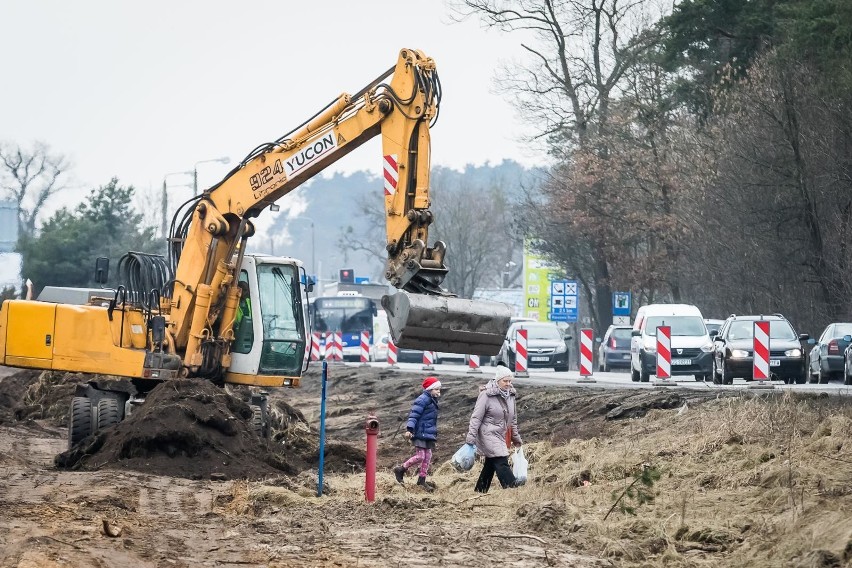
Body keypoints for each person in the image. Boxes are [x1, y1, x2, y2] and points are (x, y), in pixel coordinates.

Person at [465, 365, 522, 493]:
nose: (508, 384)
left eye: (510, 381)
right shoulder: (486, 395)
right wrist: (471, 438)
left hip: (500, 434)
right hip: (487, 433)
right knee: (501, 458)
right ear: (497, 381)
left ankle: (480, 489)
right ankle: (512, 487)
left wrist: (516, 438)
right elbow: (476, 418)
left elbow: (513, 419)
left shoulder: (511, 395)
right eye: (505, 381)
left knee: (490, 463)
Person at [394, 376, 441, 492]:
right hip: (420, 433)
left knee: (428, 456)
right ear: (430, 389)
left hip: (428, 433)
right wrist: (410, 429)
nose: (439, 392)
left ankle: (422, 480)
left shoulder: (432, 400)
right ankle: (401, 469)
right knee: (421, 456)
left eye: (440, 389)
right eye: (437, 389)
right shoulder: (422, 400)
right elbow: (414, 415)